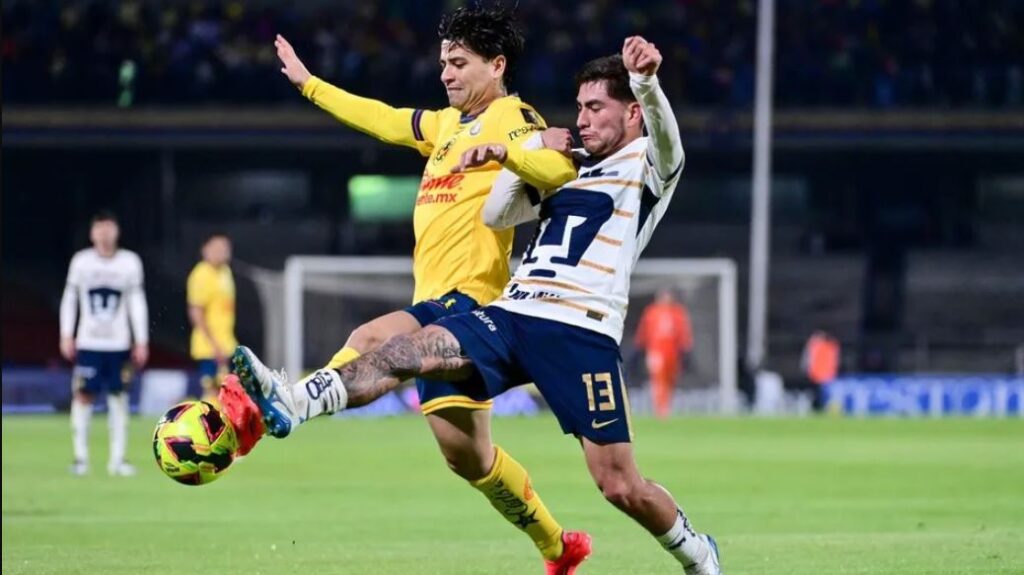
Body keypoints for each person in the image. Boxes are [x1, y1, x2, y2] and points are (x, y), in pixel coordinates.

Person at [231, 37, 721, 574]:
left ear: (630, 113)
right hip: (513, 313)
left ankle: (696, 553)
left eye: (596, 107)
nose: (582, 119)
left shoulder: (649, 165)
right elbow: (497, 216)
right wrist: (516, 160)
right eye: (579, 107)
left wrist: (646, 81)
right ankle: (295, 402)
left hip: (580, 331)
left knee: (619, 484)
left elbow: (667, 135)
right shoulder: (565, 165)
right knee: (408, 350)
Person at [219, 6, 585, 572]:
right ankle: (559, 547)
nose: (446, 73)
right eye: (443, 63)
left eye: (459, 63)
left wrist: (509, 153)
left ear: (497, 65)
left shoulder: (513, 116)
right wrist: (310, 84)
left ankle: (285, 404)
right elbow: (383, 118)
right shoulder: (444, 126)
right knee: (470, 460)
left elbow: (560, 170)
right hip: (435, 304)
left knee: (373, 338)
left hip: (472, 304)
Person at [59, 211, 149, 477]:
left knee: (119, 398)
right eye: (99, 228)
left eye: (109, 228)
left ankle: (118, 460)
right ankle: (81, 459)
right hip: (89, 342)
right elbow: (70, 298)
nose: (104, 233)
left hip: (119, 343)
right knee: (83, 395)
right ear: (92, 233)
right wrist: (66, 334)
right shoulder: (82, 261)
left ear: (117, 231)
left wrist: (141, 340)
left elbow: (136, 302)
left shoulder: (130, 262)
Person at [187, 234, 236, 406]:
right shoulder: (201, 274)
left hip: (227, 344)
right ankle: (206, 422)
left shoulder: (225, 272)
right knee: (211, 391)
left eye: (224, 248)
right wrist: (214, 345)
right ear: (205, 250)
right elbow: (196, 312)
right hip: (209, 347)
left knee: (228, 393)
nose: (221, 252)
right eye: (216, 248)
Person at [635, 288, 693, 418]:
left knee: (670, 380)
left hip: (673, 353)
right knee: (658, 379)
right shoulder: (651, 312)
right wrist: (640, 347)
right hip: (656, 351)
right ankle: (660, 408)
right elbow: (643, 331)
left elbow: (683, 332)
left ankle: (666, 405)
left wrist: (686, 349)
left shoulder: (678, 312)